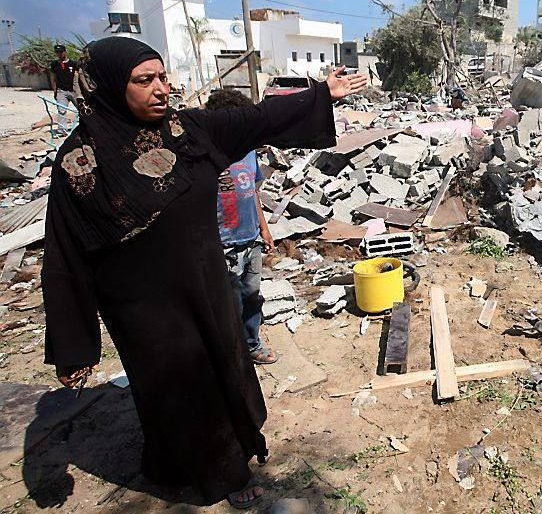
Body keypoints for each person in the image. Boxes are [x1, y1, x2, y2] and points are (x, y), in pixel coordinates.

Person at [41, 37, 366, 509]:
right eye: (144, 80)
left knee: (222, 367)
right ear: (110, 87)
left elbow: (256, 120)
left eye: (163, 76)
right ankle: (215, 472)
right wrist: (75, 345)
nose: (161, 89)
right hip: (143, 308)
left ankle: (225, 455)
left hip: (207, 285)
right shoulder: (79, 163)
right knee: (172, 389)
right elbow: (66, 257)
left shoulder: (187, 132)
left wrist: (320, 95)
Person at [205, 88, 277, 365]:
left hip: (251, 240)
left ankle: (251, 344)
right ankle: (231, 355)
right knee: (229, 304)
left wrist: (264, 228)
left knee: (251, 297)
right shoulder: (208, 156)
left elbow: (253, 193)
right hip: (223, 245)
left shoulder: (248, 153)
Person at [49, 44, 78, 134]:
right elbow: (53, 78)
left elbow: (77, 77)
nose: (59, 54)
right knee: (61, 111)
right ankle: (62, 130)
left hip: (73, 91)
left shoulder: (73, 63)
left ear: (65, 52)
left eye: (61, 52)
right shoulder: (54, 64)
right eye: (57, 52)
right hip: (61, 91)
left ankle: (87, 126)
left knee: (81, 109)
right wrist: (55, 91)